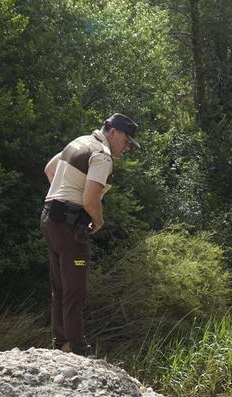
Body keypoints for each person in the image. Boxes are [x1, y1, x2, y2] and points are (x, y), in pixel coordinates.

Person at [41, 113, 140, 356]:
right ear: (113, 132)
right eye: (126, 141)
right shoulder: (102, 155)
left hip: (49, 218)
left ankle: (62, 344)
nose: (127, 147)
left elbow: (50, 169)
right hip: (71, 224)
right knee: (76, 289)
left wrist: (65, 192)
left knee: (60, 286)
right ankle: (77, 350)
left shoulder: (79, 142)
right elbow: (89, 199)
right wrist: (98, 220)